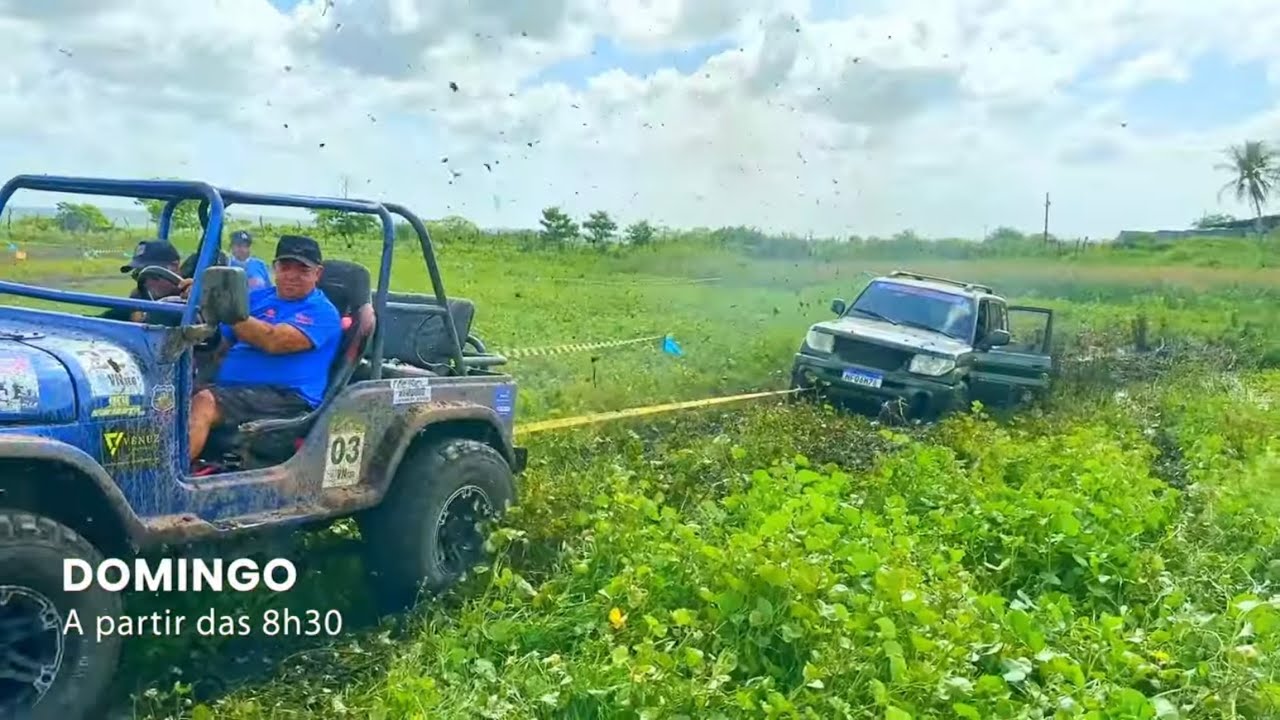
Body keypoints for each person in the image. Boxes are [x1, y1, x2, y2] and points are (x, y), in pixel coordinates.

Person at [188, 234, 342, 462]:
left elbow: (273, 341)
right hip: (234, 389)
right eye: (285, 267)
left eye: (302, 269)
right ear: (274, 268)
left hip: (287, 397)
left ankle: (163, 482)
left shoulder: (322, 312)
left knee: (204, 402)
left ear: (317, 273)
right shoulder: (257, 299)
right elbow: (221, 343)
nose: (292, 275)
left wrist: (220, 302)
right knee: (163, 395)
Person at [101, 240, 189, 324]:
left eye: (152, 274)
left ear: (174, 267)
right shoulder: (138, 297)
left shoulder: (192, 295)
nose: (146, 283)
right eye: (138, 276)